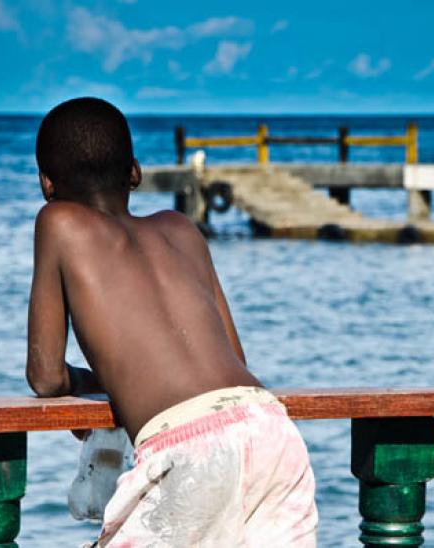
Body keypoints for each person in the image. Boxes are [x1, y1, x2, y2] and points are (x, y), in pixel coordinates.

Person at [27, 97, 318, 547]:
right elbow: (232, 357)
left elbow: (45, 377)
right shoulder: (182, 229)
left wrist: (105, 383)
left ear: (47, 184)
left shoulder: (58, 222)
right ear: (135, 172)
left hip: (189, 450)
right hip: (269, 430)